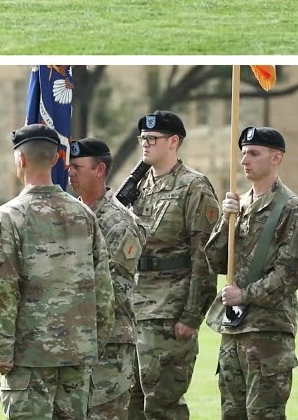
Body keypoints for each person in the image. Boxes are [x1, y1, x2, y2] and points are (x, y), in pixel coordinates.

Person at [0, 124, 114, 420]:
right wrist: (94, 342)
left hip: (30, 356)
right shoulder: (84, 214)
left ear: (21, 161)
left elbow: (3, 290)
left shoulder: (10, 216)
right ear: (58, 158)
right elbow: (104, 289)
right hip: (77, 352)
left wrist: (3, 348)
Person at [205, 126, 298, 420]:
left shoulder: (290, 208)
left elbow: (289, 275)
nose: (244, 160)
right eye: (242, 154)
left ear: (276, 158)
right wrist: (226, 221)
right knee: (232, 413)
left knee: (265, 415)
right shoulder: (240, 204)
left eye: (253, 153)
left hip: (268, 333)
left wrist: (244, 294)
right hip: (234, 329)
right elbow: (215, 261)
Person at [127, 110, 219, 420]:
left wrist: (192, 316)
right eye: (143, 139)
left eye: (152, 139)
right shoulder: (139, 185)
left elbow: (203, 257)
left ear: (173, 142)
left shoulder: (194, 186)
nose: (145, 144)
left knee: (162, 405)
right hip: (135, 307)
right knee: (130, 403)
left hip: (169, 309)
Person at [68, 138, 146, 420]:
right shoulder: (69, 216)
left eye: (78, 167)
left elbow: (112, 290)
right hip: (72, 344)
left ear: (100, 170)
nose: (70, 173)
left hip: (108, 347)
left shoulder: (120, 223)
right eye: (69, 167)